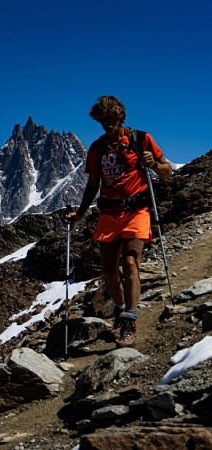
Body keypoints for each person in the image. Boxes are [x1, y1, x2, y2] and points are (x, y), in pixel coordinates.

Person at [67, 96, 172, 348]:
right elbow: (93, 184)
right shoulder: (97, 147)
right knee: (108, 271)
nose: (106, 125)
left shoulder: (141, 139)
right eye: (102, 121)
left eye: (110, 120)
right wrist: (81, 214)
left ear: (120, 117)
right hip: (109, 214)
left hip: (137, 210)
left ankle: (129, 321)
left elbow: (166, 171)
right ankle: (120, 308)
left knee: (130, 262)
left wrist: (154, 163)